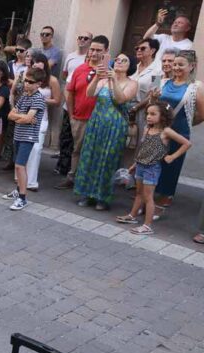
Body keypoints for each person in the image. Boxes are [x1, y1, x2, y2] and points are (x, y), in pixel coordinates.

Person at [73, 53, 138, 210]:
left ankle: (102, 197)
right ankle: (87, 193)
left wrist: (114, 79)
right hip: (96, 124)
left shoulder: (132, 83)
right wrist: (97, 76)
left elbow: (121, 99)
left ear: (130, 66)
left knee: (108, 160)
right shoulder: (103, 81)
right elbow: (89, 94)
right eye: (117, 59)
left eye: (124, 60)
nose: (119, 62)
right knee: (91, 156)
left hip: (115, 127)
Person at [116, 102, 191, 235]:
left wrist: (172, 156)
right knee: (139, 193)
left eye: (153, 114)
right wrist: (135, 164)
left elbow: (186, 143)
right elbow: (143, 148)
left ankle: (147, 225)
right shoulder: (147, 129)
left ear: (162, 116)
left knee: (148, 197)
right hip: (140, 165)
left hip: (152, 168)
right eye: (147, 114)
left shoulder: (166, 131)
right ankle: (132, 216)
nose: (148, 117)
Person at [56, 35, 108, 190]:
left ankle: (87, 181)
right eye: (92, 49)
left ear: (106, 51)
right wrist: (71, 115)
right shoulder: (80, 69)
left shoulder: (109, 72)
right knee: (77, 149)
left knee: (94, 152)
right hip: (79, 117)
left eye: (99, 50)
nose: (94, 53)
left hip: (98, 119)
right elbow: (69, 92)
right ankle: (72, 177)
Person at [153, 50, 204, 209]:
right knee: (154, 164)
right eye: (174, 64)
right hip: (160, 131)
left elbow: (202, 114)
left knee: (171, 166)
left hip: (179, 133)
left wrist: (186, 125)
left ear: (192, 66)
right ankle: (149, 198)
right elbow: (154, 106)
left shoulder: (196, 87)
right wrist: (153, 99)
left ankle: (165, 198)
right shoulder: (163, 82)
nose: (176, 67)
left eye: (180, 64)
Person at [2, 67, 47, 211]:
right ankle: (18, 190)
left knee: (20, 166)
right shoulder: (24, 96)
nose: (26, 84)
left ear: (38, 84)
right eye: (26, 81)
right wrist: (24, 117)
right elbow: (11, 116)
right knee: (18, 165)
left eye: (30, 82)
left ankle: (22, 197)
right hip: (18, 134)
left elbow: (28, 118)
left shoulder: (38, 98)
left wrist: (22, 117)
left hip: (28, 137)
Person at [22, 53, 61, 191]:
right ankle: (21, 178)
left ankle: (31, 182)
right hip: (26, 116)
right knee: (24, 147)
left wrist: (40, 100)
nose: (36, 64)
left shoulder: (52, 80)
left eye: (39, 62)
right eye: (34, 62)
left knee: (36, 149)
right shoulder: (27, 76)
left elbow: (57, 101)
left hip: (41, 118)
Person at [129, 38, 162, 146]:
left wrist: (136, 107)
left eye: (143, 48)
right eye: (137, 48)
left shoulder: (157, 70)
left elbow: (154, 92)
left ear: (152, 51)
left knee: (137, 143)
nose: (138, 50)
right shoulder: (133, 66)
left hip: (142, 111)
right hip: (126, 109)